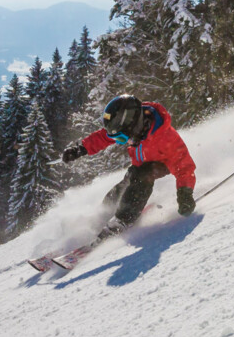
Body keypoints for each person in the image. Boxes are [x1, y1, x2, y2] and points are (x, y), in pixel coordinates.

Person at [61, 94, 196, 238]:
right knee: (124, 185)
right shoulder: (132, 127)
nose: (121, 142)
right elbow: (103, 137)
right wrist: (81, 149)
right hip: (139, 165)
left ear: (135, 126)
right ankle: (102, 217)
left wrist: (184, 194)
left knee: (142, 175)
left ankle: (122, 221)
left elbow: (184, 166)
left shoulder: (165, 137)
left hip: (160, 165)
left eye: (121, 138)